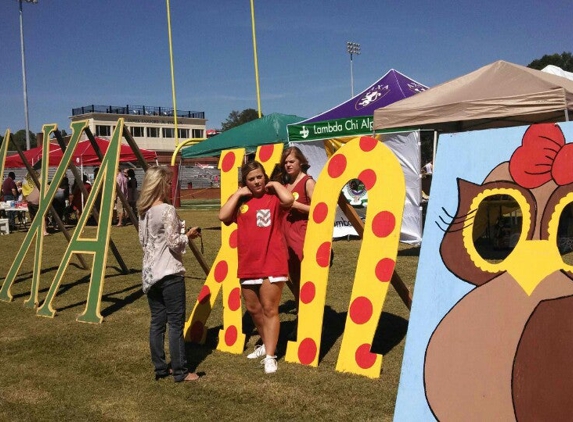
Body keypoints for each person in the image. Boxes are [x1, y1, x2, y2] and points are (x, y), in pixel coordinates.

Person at [219, 160, 294, 374]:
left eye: (259, 177)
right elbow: (223, 216)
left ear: (265, 177)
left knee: (270, 309)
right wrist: (237, 194)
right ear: (245, 182)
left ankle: (271, 355)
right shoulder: (241, 201)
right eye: (251, 179)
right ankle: (267, 342)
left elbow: (289, 200)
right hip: (248, 264)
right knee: (253, 309)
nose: (256, 182)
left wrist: (276, 185)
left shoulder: (274, 198)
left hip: (273, 261)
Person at [137, 166, 201, 383]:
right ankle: (181, 371)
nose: (168, 187)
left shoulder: (143, 211)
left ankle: (160, 367)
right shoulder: (166, 209)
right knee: (175, 322)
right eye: (166, 183)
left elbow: (143, 242)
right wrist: (189, 235)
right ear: (159, 185)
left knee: (157, 322)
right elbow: (174, 242)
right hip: (169, 272)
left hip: (150, 273)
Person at [278, 147, 315, 306]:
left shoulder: (308, 182)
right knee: (294, 277)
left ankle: (309, 316)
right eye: (285, 162)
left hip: (301, 235)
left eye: (291, 161)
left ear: (301, 161)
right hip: (285, 237)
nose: (288, 164)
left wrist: (295, 204)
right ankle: (300, 316)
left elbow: (318, 210)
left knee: (305, 277)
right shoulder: (286, 184)